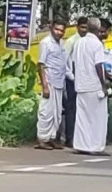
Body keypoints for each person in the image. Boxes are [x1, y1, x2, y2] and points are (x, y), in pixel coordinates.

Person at [71, 17, 110, 155]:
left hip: (81, 84)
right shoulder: (97, 44)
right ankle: (96, 147)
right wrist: (104, 84)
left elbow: (75, 64)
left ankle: (81, 145)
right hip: (94, 86)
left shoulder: (78, 43)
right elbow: (98, 65)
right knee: (98, 118)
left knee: (82, 117)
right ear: (98, 28)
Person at [36, 17, 67, 150]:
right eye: (57, 29)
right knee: (46, 112)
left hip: (59, 82)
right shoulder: (46, 43)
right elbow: (41, 65)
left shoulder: (61, 44)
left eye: (62, 30)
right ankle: (42, 139)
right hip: (49, 82)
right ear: (51, 28)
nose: (59, 32)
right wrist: (44, 86)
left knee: (57, 113)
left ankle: (52, 138)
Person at [62, 16, 88, 148]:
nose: (84, 30)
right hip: (72, 78)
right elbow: (65, 61)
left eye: (86, 27)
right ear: (77, 27)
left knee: (82, 109)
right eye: (82, 27)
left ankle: (80, 138)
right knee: (71, 109)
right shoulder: (72, 41)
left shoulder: (88, 41)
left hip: (84, 78)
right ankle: (69, 138)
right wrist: (71, 76)